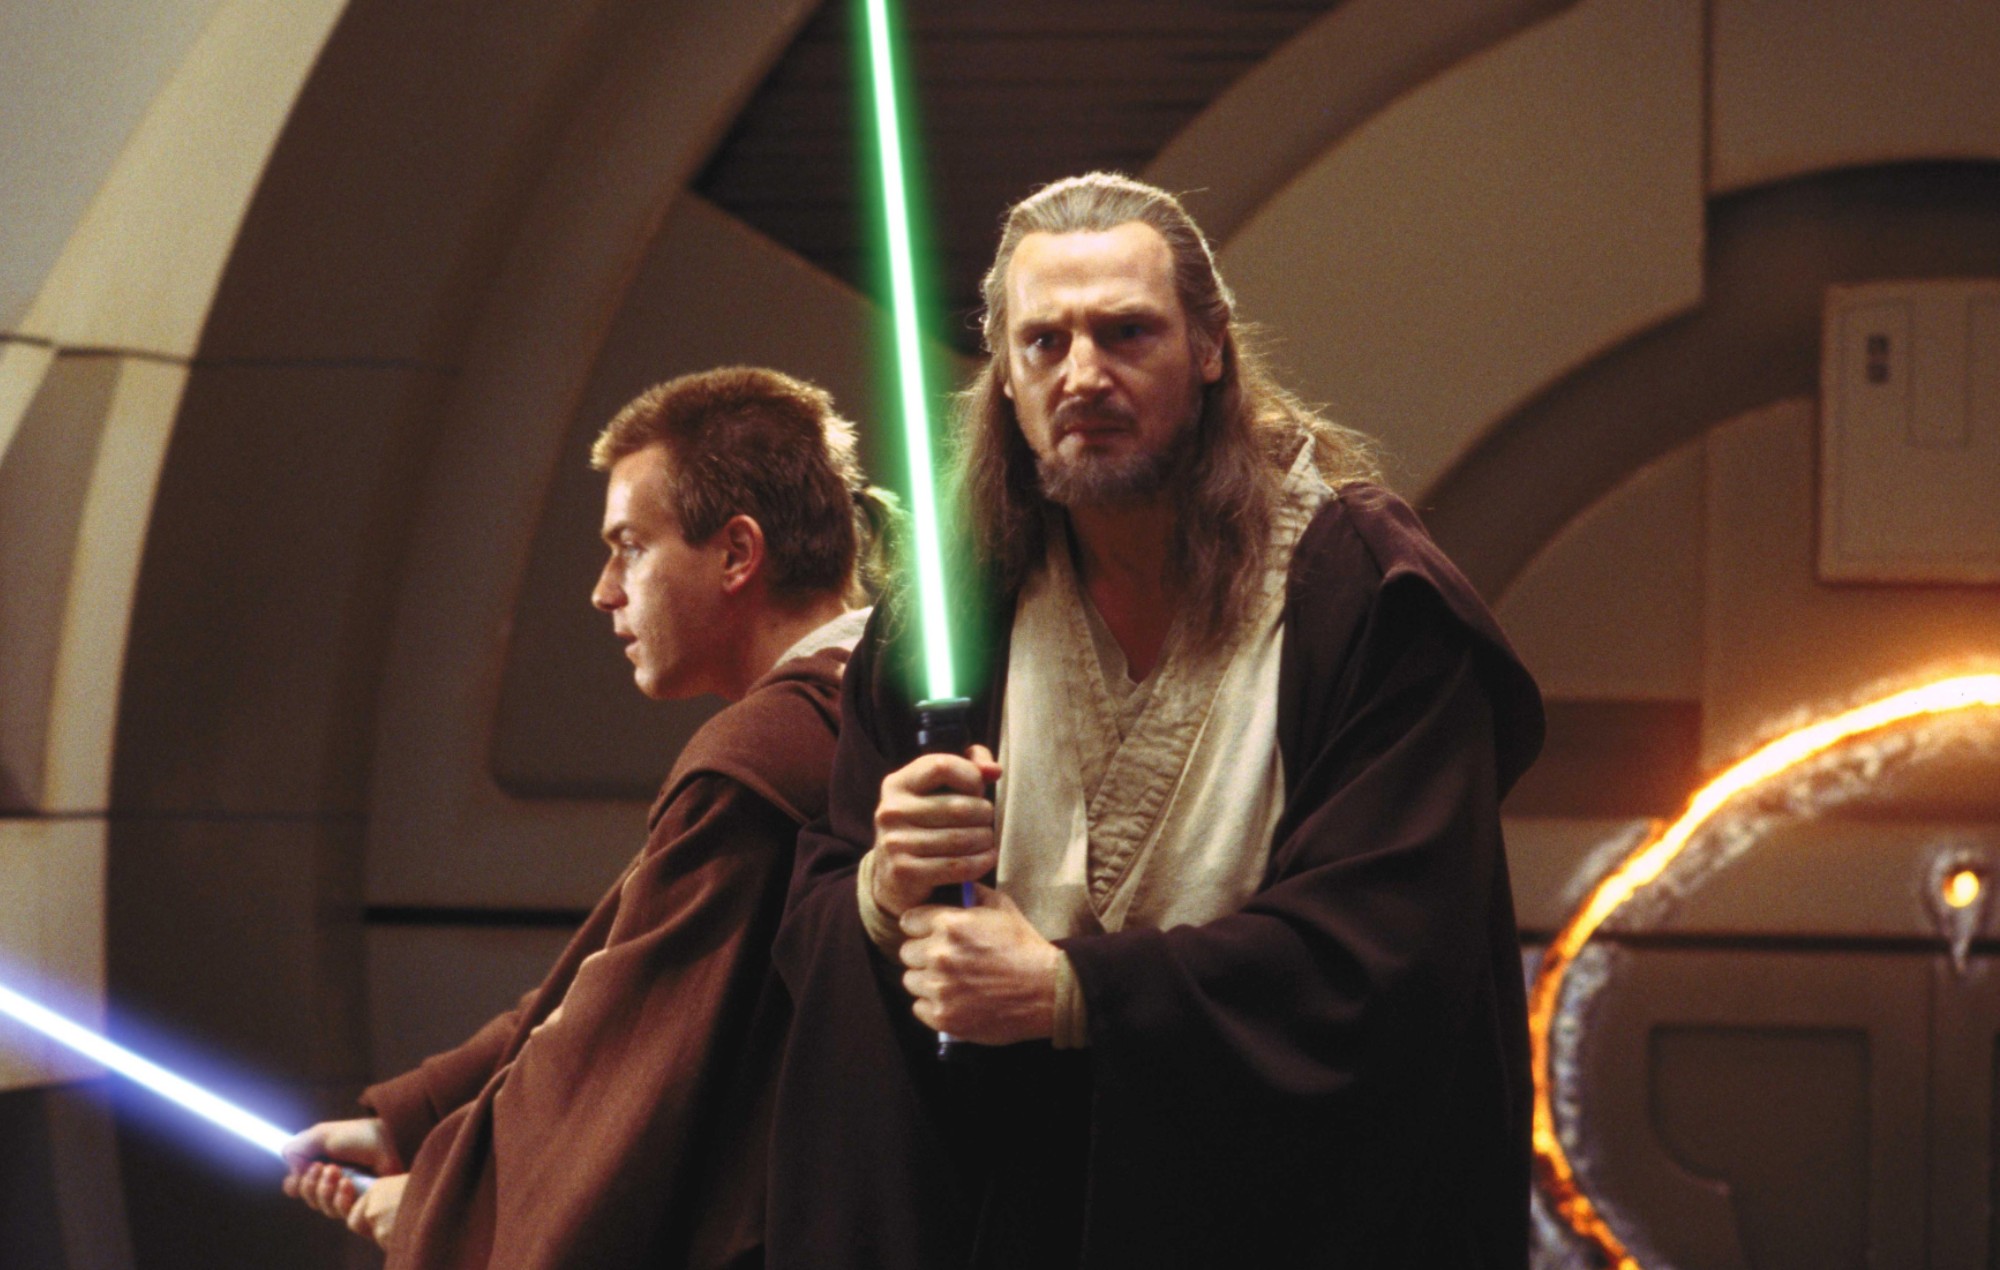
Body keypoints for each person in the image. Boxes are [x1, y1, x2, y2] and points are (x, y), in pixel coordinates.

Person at [767, 173, 1545, 1269]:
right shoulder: (951, 616)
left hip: (1277, 1222)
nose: (1083, 374)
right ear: (1005, 375)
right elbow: (815, 924)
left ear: (1210, 347)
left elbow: (1393, 949)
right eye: (1044, 342)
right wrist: (887, 887)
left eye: (1126, 332)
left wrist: (1073, 992)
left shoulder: (1363, 597)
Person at [282, 366, 894, 1269]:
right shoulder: (881, 697)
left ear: (737, 553)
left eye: (630, 547)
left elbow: (620, 1062)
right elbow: (608, 978)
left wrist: (444, 1205)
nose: (605, 591)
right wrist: (415, 1118)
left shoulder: (759, 759)